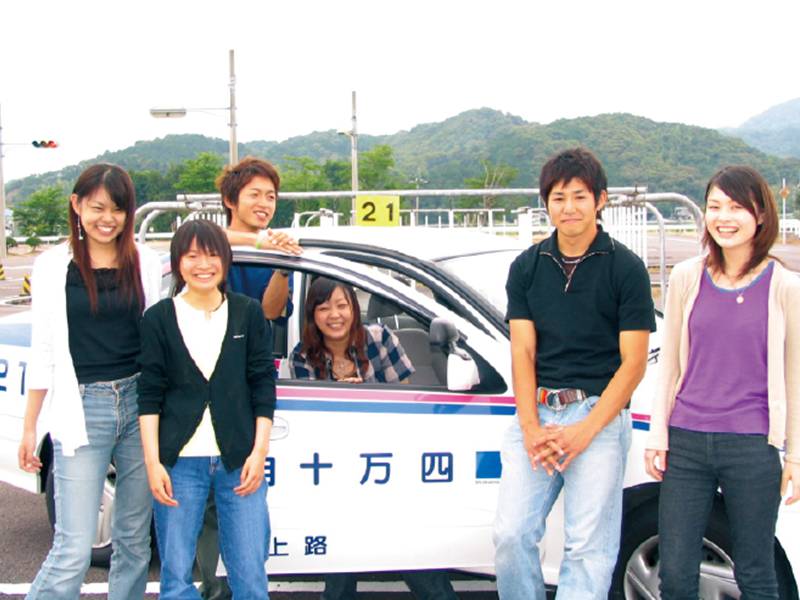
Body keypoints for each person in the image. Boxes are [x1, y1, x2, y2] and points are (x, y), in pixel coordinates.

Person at [493, 147, 655, 600]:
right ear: (545, 203)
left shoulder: (626, 268)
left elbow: (634, 362)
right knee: (510, 535)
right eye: (558, 197)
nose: (569, 207)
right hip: (539, 416)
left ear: (600, 200)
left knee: (587, 549)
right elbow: (522, 351)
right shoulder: (526, 267)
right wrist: (529, 427)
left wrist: (586, 430)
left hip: (597, 417)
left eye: (580, 196)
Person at [644, 165, 800, 600]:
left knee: (755, 574)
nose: (723, 217)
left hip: (752, 447)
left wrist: (797, 457)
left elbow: (796, 376)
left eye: (736, 207)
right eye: (714, 206)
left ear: (761, 216)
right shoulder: (687, 277)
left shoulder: (786, 287)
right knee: (675, 574)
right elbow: (670, 365)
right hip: (687, 442)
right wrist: (659, 434)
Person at [18, 164, 162, 600]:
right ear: (77, 205)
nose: (108, 218)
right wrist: (30, 427)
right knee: (74, 547)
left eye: (118, 209)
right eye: (98, 206)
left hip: (140, 404)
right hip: (83, 408)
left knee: (134, 540)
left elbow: (155, 335)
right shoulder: (52, 266)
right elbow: (43, 349)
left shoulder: (146, 260)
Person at [290, 277, 458, 600]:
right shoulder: (303, 356)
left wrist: (368, 397)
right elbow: (311, 421)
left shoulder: (380, 339)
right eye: (324, 308)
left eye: (342, 305)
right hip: (338, 468)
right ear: (312, 315)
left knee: (409, 546)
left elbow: (405, 402)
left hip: (387, 461)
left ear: (354, 307)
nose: (334, 315)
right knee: (343, 545)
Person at [137, 219, 276, 600]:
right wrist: (153, 463)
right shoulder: (158, 319)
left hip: (238, 462)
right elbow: (149, 394)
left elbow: (263, 386)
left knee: (249, 573)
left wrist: (259, 451)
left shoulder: (248, 313)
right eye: (192, 255)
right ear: (178, 262)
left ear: (226, 260)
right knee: (176, 576)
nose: (204, 264)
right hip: (179, 463)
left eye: (213, 254)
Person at [195, 156, 302, 600]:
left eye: (271, 197)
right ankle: (210, 586)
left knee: (243, 497)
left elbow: (272, 311)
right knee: (205, 507)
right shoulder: (211, 245)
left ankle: (242, 586)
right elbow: (209, 238)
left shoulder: (270, 248)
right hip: (202, 387)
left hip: (249, 385)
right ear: (229, 199)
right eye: (254, 194)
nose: (264, 203)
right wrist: (266, 241)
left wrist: (280, 262)